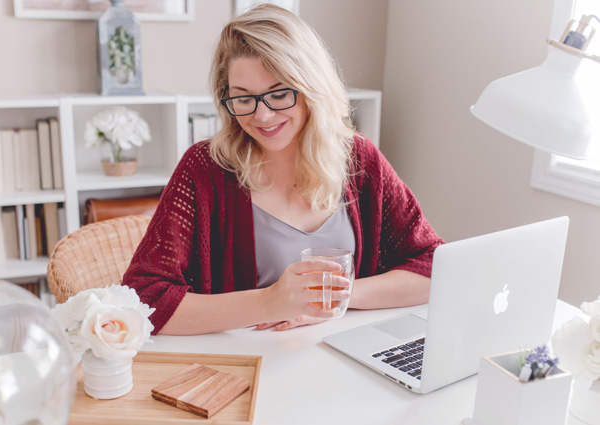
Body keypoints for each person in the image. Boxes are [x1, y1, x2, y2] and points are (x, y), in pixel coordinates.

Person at [122, 4, 444, 335]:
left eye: (279, 94)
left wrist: (335, 297)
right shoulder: (204, 169)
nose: (262, 116)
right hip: (245, 366)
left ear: (311, 87)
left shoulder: (358, 159)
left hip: (340, 357)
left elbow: (435, 266)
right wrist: (270, 302)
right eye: (243, 98)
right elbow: (143, 299)